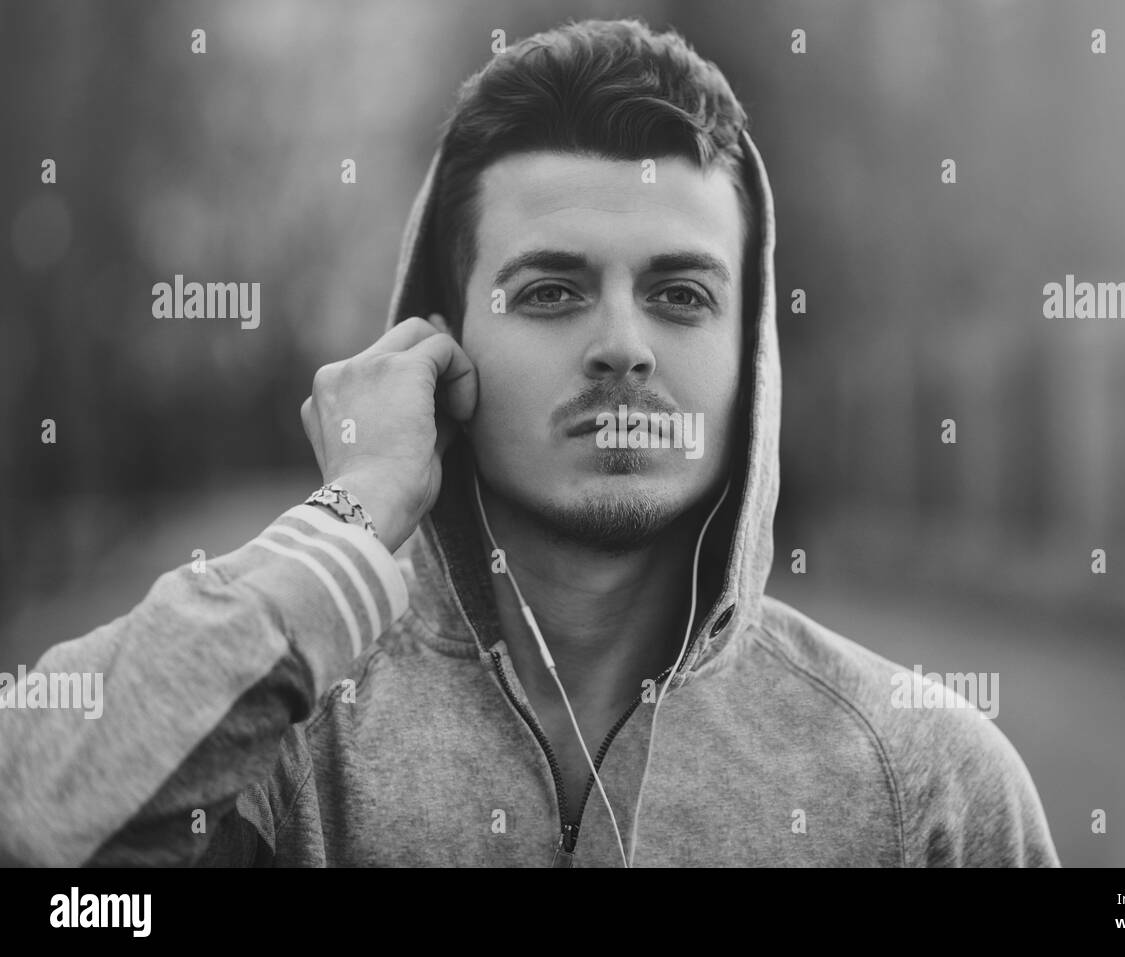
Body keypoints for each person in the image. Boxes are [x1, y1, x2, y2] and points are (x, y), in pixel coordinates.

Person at [0, 18, 1060, 867]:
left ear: (752, 358)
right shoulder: (270, 747)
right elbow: (32, 822)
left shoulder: (923, 784)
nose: (622, 350)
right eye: (550, 290)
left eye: (681, 295)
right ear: (437, 345)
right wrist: (353, 514)